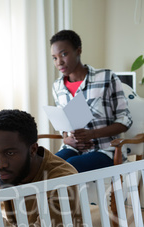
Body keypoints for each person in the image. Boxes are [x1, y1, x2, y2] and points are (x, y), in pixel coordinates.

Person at [50, 29, 133, 172]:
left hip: (106, 150)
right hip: (74, 148)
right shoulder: (57, 87)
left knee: (69, 167)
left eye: (64, 54)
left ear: (78, 51)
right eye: (54, 58)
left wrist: (92, 134)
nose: (59, 62)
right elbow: (65, 128)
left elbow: (125, 121)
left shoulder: (107, 77)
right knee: (48, 167)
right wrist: (66, 139)